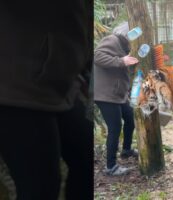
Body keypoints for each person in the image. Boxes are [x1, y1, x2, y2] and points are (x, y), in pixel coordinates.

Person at [0, 1, 93, 200]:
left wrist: (84, 68)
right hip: (16, 84)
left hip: (63, 81)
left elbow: (81, 19)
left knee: (87, 160)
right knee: (40, 186)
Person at [94, 21, 139, 176]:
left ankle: (126, 150)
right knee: (115, 128)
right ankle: (111, 166)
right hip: (105, 94)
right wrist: (121, 61)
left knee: (130, 118)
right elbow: (97, 56)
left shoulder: (126, 46)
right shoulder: (112, 40)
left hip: (118, 93)